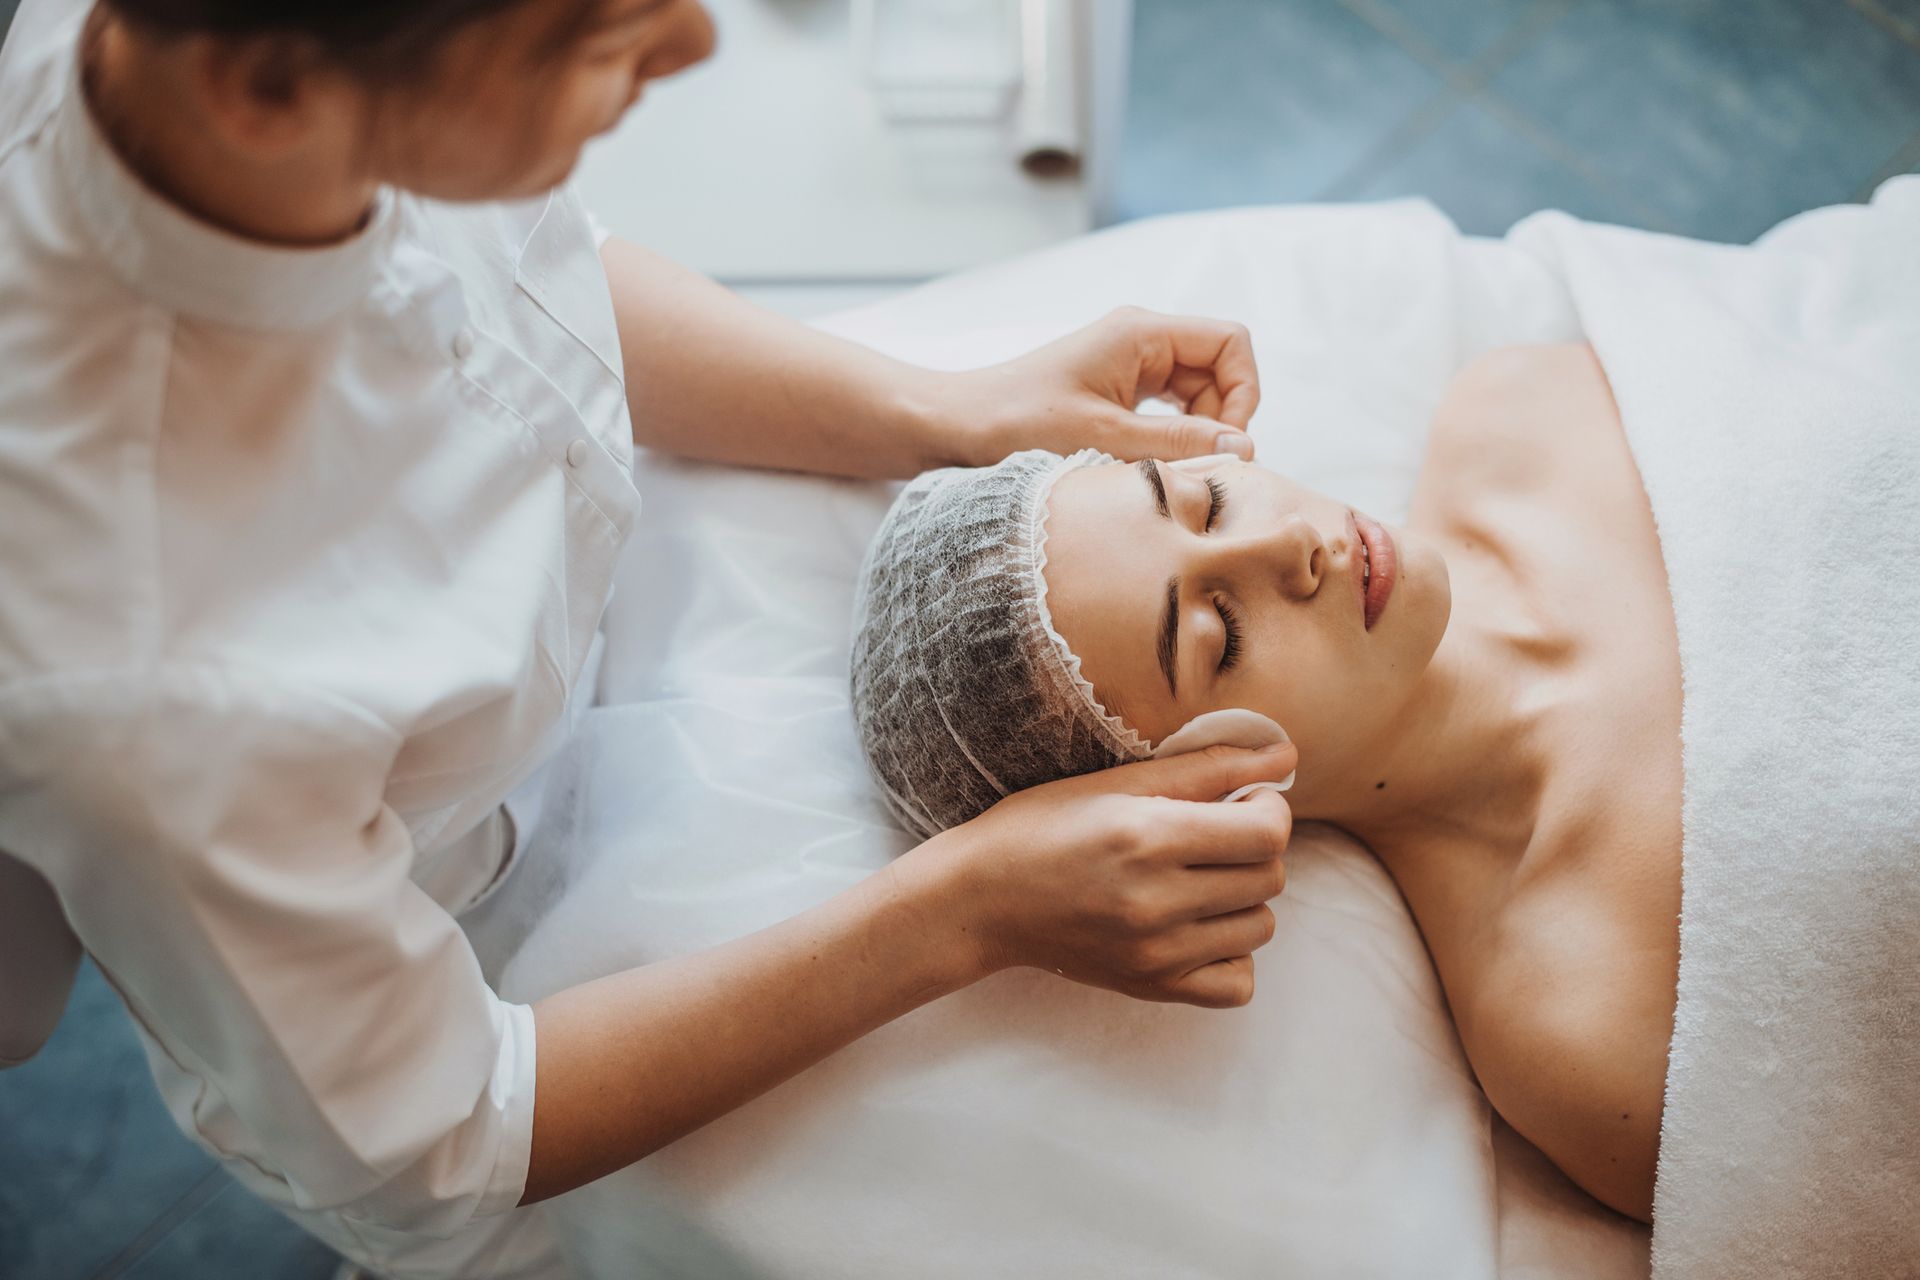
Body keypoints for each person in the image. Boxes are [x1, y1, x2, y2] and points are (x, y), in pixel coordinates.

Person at [0, 0, 1299, 1275]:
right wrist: (969, 914)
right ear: (269, 94)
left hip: (610, 636)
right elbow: (447, 1141)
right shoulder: (148, 687)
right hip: (487, 987)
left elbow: (530, 272)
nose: (694, 44)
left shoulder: (253, 116)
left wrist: (943, 410)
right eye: (594, 35)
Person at [850, 342, 1685, 1224]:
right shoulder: (1589, 1026)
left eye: (1205, 504)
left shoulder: (1526, 409)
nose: (1289, 544)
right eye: (1220, 637)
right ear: (1186, 805)